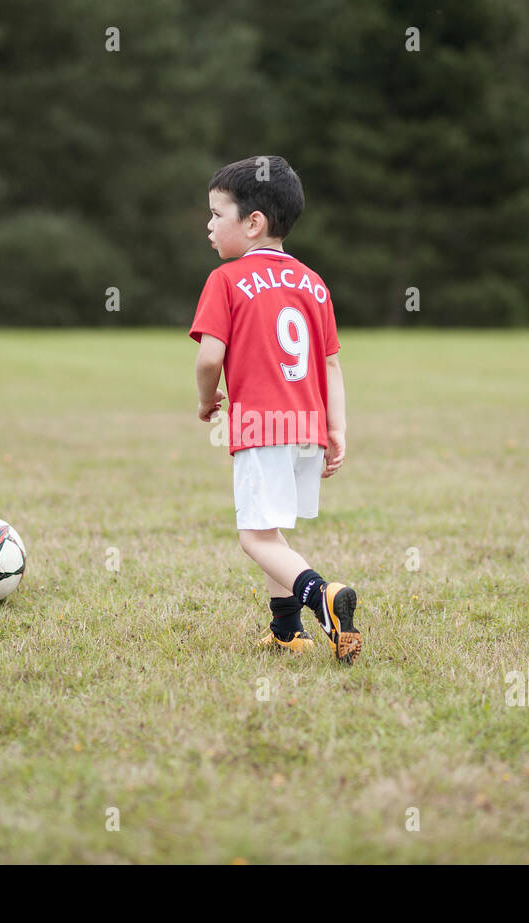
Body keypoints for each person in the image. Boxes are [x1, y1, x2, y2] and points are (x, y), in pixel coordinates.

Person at [189, 155, 362, 664]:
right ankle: (286, 630)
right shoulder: (314, 283)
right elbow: (330, 366)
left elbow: (209, 357)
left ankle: (322, 598)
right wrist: (337, 428)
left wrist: (206, 399)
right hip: (307, 424)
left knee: (254, 537)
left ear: (253, 222)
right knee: (273, 528)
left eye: (217, 214)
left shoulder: (226, 280)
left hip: (261, 424)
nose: (209, 225)